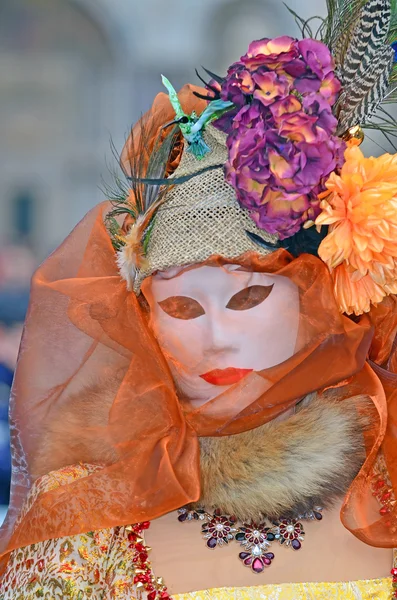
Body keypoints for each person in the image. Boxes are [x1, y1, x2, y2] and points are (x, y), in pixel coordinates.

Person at [1, 1, 397, 598]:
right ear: (142, 319)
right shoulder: (85, 521)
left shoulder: (385, 481)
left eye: (249, 297)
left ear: (313, 300)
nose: (217, 336)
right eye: (183, 306)